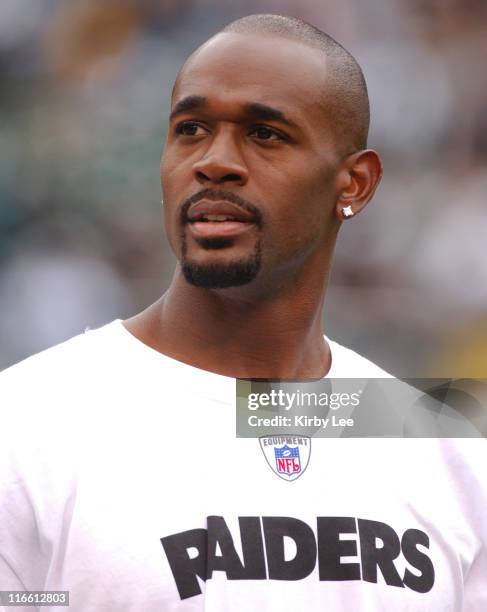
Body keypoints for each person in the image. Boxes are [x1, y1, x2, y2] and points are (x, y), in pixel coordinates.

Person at [0, 14, 486, 612]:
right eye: (192, 129)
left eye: (266, 134)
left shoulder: (441, 445)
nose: (214, 162)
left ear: (354, 183)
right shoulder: (26, 425)